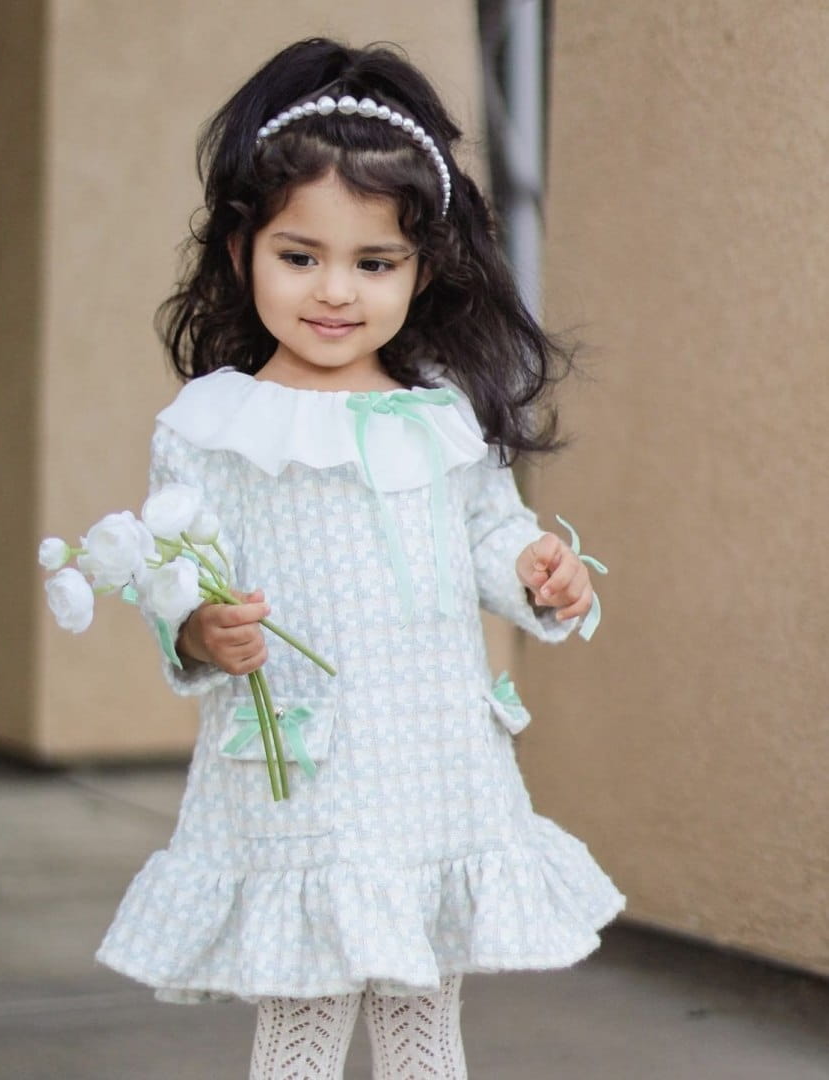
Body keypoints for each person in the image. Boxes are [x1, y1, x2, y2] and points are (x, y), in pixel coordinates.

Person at [96, 37, 625, 1079]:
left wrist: (536, 568)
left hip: (430, 761)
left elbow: (487, 531)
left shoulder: (439, 413)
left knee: (423, 1011)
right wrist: (199, 630)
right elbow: (173, 573)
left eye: (373, 263)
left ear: (422, 269)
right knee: (304, 1008)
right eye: (300, 257)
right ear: (242, 249)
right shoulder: (213, 425)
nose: (334, 291)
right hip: (304, 774)